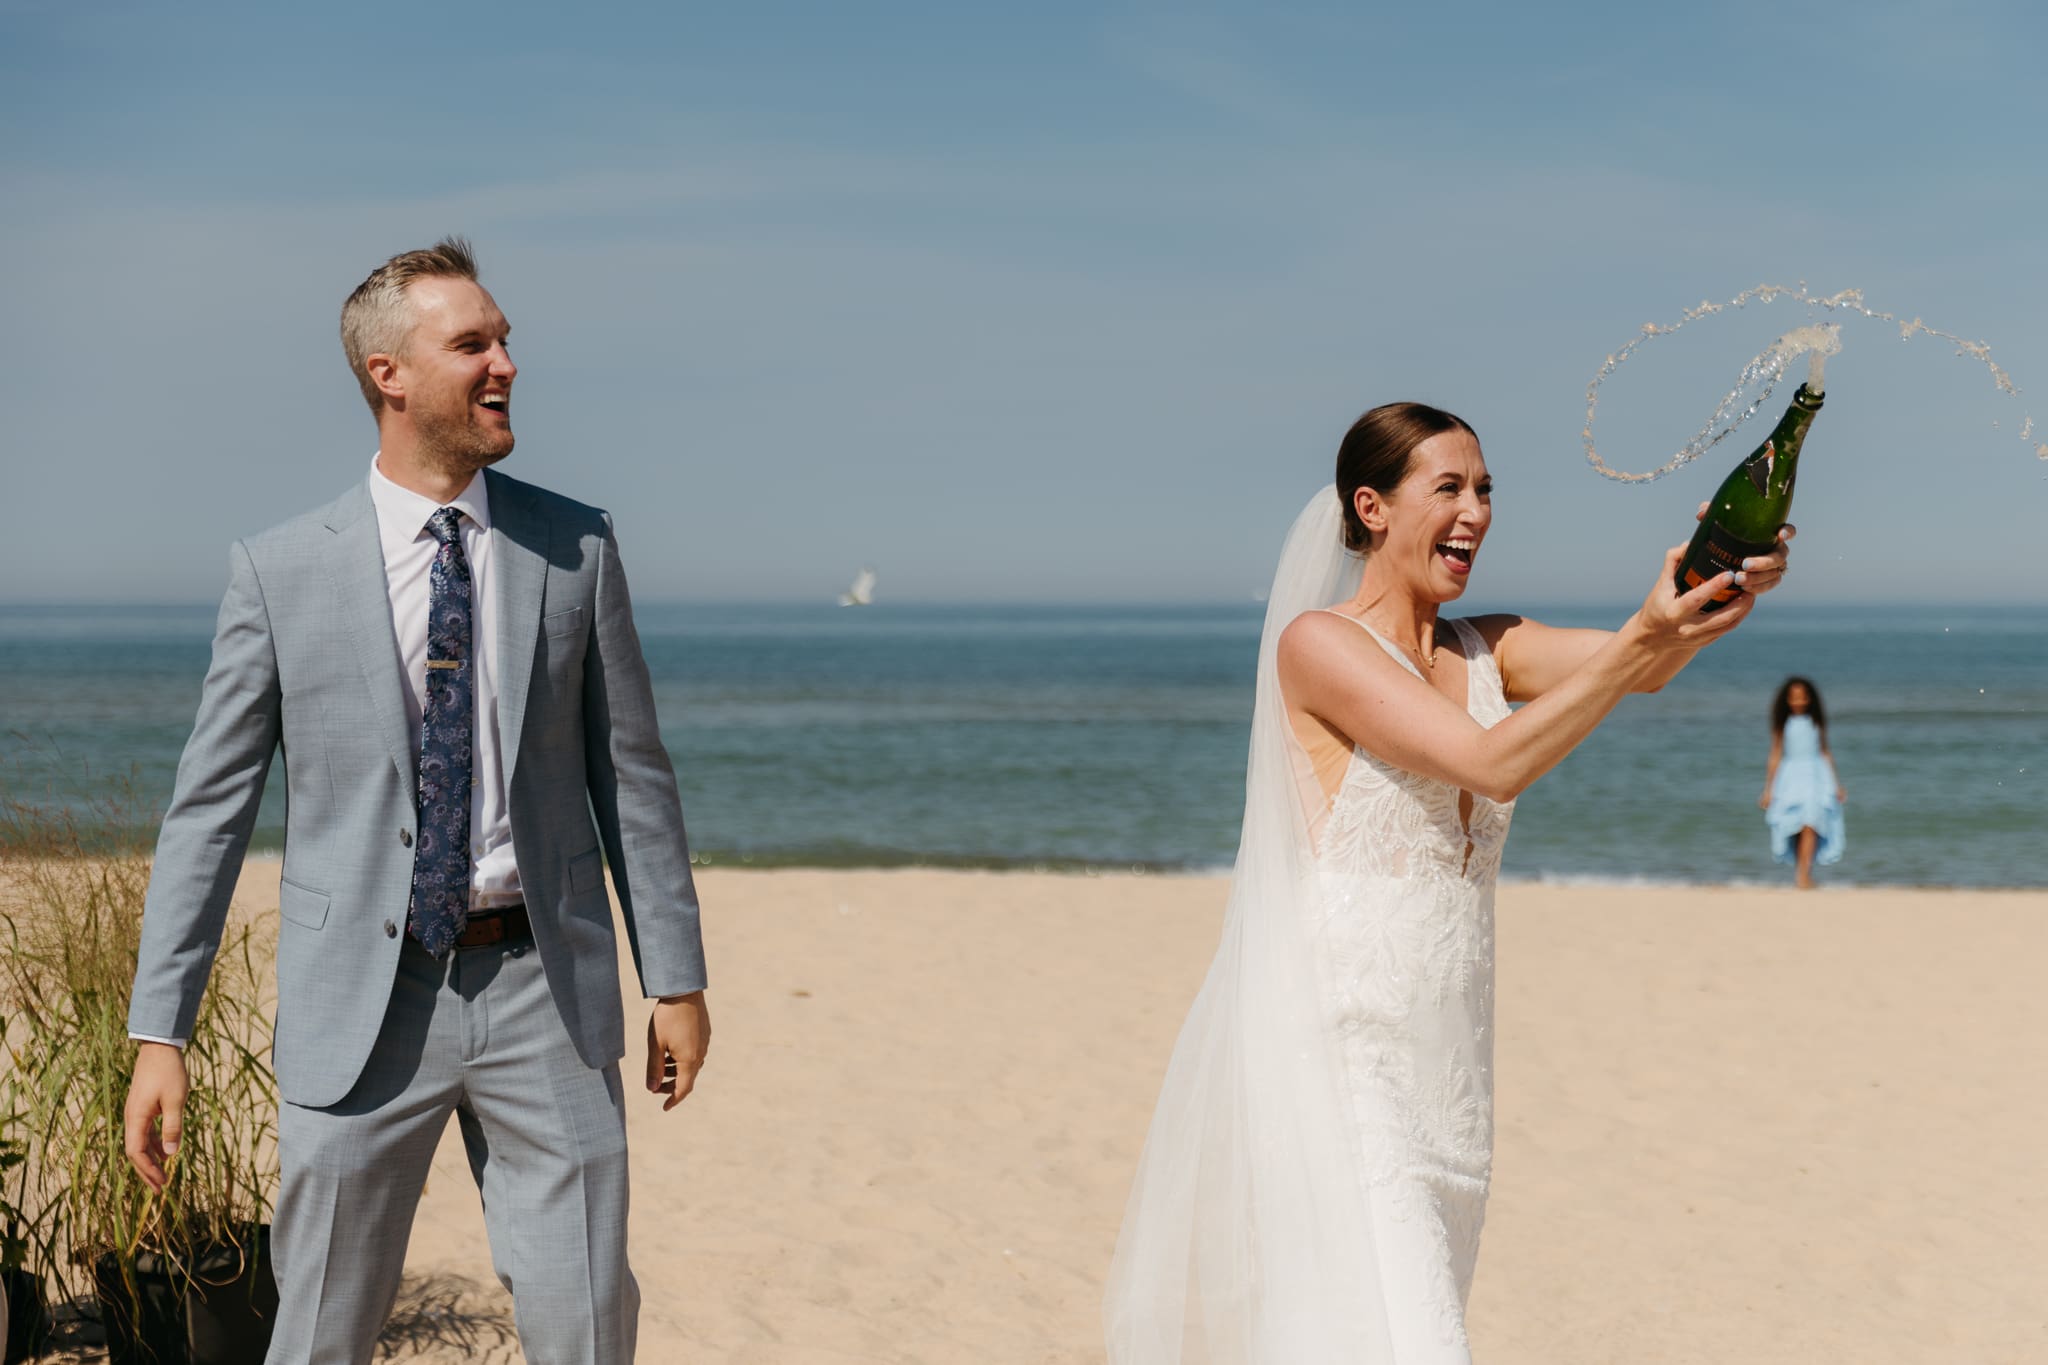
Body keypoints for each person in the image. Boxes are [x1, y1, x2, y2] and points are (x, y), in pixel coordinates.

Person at [1104, 402, 1795, 1363]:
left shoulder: (1489, 648)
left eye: (1485, 490)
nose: (1476, 510)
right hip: (1346, 1050)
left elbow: (1641, 667)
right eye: (1449, 488)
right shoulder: (1319, 645)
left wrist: (1714, 592)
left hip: (1452, 1064)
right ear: (1372, 508)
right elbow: (1492, 763)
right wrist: (1649, 632)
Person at [121, 238, 709, 1364]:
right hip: (362, 1003)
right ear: (388, 373)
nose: (506, 365)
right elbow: (209, 812)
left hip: (549, 990)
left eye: (505, 341)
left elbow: (630, 772)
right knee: (321, 1333)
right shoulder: (280, 569)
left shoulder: (573, 546)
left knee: (587, 1327)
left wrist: (673, 975)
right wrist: (163, 1031)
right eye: (473, 344)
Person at [1760, 675, 1846, 888]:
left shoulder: (1816, 721)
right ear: (1787, 699)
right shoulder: (1783, 723)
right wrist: (1768, 789)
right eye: (1794, 698)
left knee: (1812, 823)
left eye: (1802, 697)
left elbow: (1825, 752)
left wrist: (1836, 784)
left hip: (1816, 776)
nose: (1798, 702)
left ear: (1810, 699)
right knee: (1795, 825)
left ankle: (1804, 875)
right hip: (1791, 777)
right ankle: (1803, 873)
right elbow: (1775, 755)